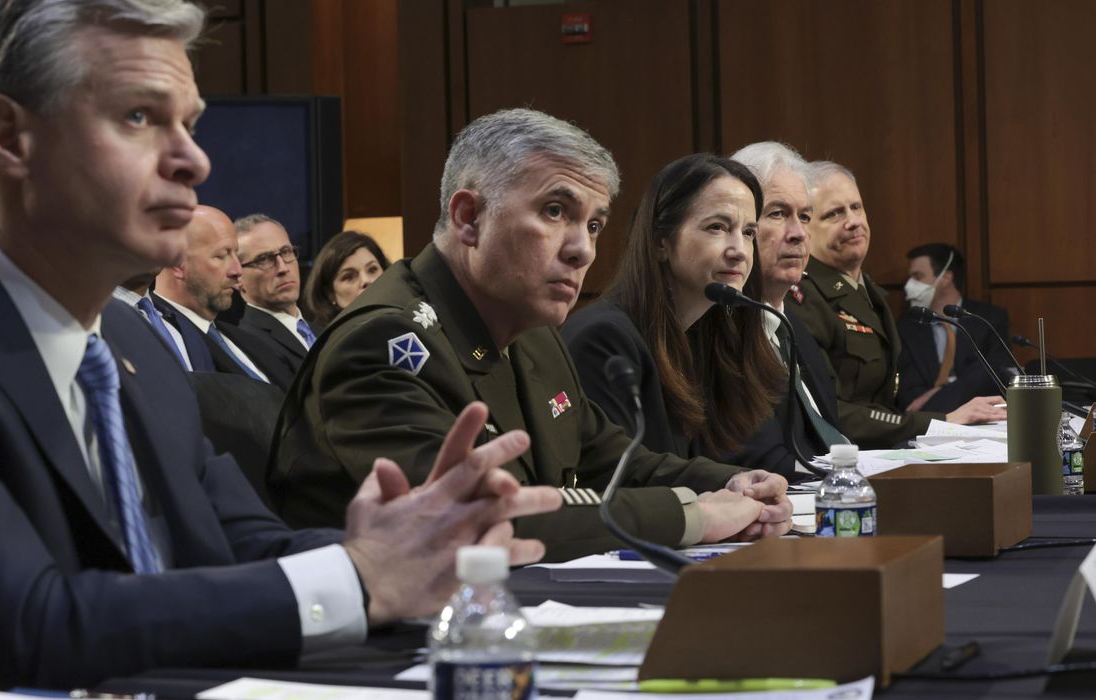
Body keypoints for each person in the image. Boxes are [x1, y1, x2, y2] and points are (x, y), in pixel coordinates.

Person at [0, 2, 559, 697]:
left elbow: (243, 548)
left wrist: (412, 550)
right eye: (139, 117)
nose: (192, 159)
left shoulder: (130, 339)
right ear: (9, 137)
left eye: (187, 124)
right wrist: (357, 577)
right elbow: (27, 626)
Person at [273, 108, 793, 563]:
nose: (583, 250)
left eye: (593, 225)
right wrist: (695, 516)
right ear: (469, 218)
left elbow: (614, 461)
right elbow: (484, 517)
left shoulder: (532, 333)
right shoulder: (384, 343)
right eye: (555, 212)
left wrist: (727, 484)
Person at [562, 153, 792, 475]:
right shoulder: (605, 340)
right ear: (661, 242)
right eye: (717, 227)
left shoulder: (707, 333)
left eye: (749, 232)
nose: (739, 250)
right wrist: (728, 486)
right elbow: (623, 476)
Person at [788, 162, 1005, 448]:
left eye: (857, 207)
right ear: (806, 227)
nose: (853, 221)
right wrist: (940, 423)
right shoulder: (802, 295)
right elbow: (829, 411)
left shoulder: (870, 293)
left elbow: (888, 396)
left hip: (885, 450)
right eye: (834, 214)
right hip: (842, 459)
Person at [729, 142, 848, 468]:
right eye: (778, 213)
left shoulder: (792, 326)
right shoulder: (720, 329)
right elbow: (753, 458)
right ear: (740, 227)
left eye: (805, 216)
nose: (798, 233)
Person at [153, 205, 281, 384]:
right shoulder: (158, 339)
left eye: (236, 255)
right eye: (221, 256)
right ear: (177, 263)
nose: (237, 271)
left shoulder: (252, 342)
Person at [897, 243, 1013, 412]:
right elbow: (909, 396)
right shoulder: (907, 326)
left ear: (946, 278)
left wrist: (938, 394)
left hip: (982, 419)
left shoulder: (988, 319)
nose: (909, 285)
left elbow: (992, 377)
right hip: (929, 425)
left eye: (917, 276)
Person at [234, 213, 317, 389]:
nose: (283, 268)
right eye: (264, 259)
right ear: (238, 277)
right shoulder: (248, 344)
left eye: (286, 252)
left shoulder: (322, 329)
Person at [302, 230, 390, 328]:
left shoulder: (406, 320)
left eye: (372, 270)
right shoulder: (330, 342)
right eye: (349, 277)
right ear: (330, 294)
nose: (365, 280)